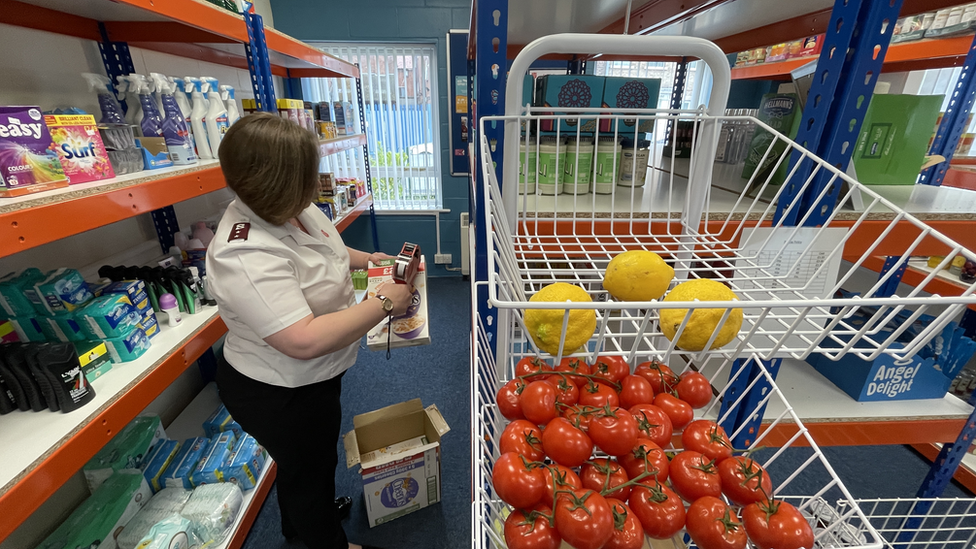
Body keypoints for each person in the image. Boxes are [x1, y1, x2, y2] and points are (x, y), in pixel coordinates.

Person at [206, 113, 412, 549]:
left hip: (313, 378)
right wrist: (384, 302)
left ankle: (300, 525)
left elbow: (329, 250)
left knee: (305, 464)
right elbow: (302, 339)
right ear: (276, 184)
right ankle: (328, 542)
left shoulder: (293, 209)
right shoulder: (242, 252)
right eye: (305, 179)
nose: (314, 187)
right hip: (278, 388)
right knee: (307, 467)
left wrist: (370, 260)